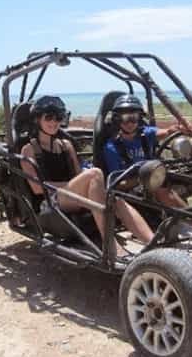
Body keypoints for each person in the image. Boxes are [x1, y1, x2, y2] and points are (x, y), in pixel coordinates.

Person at [20, 95, 155, 254]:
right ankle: (110, 244)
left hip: (71, 195)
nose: (54, 122)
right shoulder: (29, 150)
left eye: (58, 117)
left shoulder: (66, 145)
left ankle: (153, 243)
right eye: (48, 117)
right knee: (95, 174)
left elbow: (78, 175)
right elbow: (37, 188)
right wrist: (79, 184)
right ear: (38, 120)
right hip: (51, 200)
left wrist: (86, 185)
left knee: (115, 200)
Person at [102, 94, 192, 206]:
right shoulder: (112, 148)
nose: (130, 123)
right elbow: (118, 183)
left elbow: (165, 132)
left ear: (139, 118)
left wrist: (177, 129)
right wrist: (145, 178)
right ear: (117, 119)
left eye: (133, 118)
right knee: (159, 188)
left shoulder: (145, 133)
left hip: (157, 175)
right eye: (125, 118)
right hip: (135, 187)